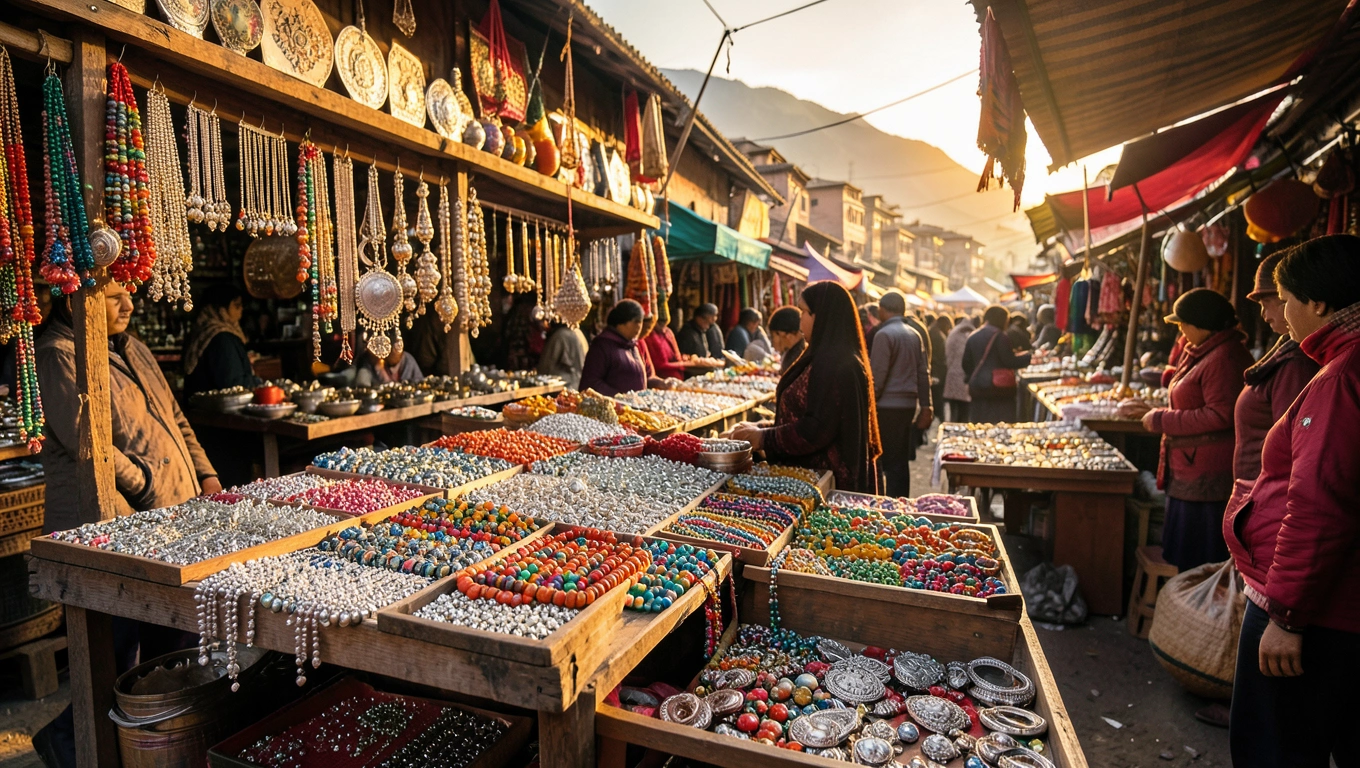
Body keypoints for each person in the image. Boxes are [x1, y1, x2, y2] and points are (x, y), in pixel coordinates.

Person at [33, 282, 220, 767]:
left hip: (169, 518)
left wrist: (206, 474)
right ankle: (70, 741)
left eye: (127, 294)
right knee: (113, 649)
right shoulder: (58, 354)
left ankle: (150, 739)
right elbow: (87, 441)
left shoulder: (132, 346)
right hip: (107, 522)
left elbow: (174, 418)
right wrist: (149, 485)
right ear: (75, 299)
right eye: (113, 296)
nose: (128, 305)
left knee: (172, 636)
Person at [1222, 235, 1360, 767]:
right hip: (1339, 608)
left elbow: (1320, 507)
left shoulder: (1340, 378)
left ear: (1319, 303)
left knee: (1274, 750)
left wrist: (1286, 616)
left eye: (1284, 296)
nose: (1281, 312)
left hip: (1322, 614)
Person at [1127, 288, 1251, 571]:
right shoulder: (1204, 349)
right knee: (1187, 557)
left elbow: (1221, 414)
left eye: (1183, 323)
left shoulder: (1224, 357)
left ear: (1201, 324)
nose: (1180, 330)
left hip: (1206, 475)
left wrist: (1161, 419)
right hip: (1189, 469)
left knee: (1200, 561)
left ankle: (1193, 611)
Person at [730, 281, 881, 492]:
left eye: (804, 312)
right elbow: (807, 415)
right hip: (812, 479)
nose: (799, 319)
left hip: (827, 484)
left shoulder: (835, 363)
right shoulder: (823, 355)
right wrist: (761, 429)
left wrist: (764, 437)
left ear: (823, 316)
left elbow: (816, 429)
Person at [869, 290, 932, 496]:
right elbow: (924, 373)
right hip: (907, 407)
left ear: (882, 310)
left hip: (887, 407)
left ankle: (887, 505)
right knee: (900, 460)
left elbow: (877, 376)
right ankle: (901, 502)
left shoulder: (884, 335)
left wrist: (869, 404)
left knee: (884, 461)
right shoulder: (914, 334)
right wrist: (926, 405)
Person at [181, 283, 258, 398]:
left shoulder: (204, 333)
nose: (241, 309)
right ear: (220, 310)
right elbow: (233, 384)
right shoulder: (221, 339)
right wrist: (258, 384)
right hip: (216, 410)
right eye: (237, 305)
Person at [580, 299, 670, 396]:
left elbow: (648, 376)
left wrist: (663, 384)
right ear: (621, 323)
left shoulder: (636, 346)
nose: (639, 326)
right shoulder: (602, 346)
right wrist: (619, 397)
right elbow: (590, 383)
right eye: (636, 321)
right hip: (613, 408)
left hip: (635, 407)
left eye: (640, 322)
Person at [961, 305, 1031, 423]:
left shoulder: (973, 336)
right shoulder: (1000, 336)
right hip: (999, 390)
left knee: (979, 423)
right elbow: (1009, 361)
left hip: (978, 388)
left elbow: (966, 363)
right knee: (999, 423)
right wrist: (1029, 357)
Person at [538, 321, 589, 388]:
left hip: (565, 386)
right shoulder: (579, 333)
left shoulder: (560, 335)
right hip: (579, 383)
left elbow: (546, 365)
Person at [943, 315, 975, 421]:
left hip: (952, 376)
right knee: (965, 412)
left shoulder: (953, 335)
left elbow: (948, 356)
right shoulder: (974, 334)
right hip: (967, 379)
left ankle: (953, 432)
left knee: (954, 412)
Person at [355, 344, 424, 387]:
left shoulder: (407, 359)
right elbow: (363, 388)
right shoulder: (371, 362)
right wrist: (380, 370)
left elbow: (420, 383)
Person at [768, 306, 805, 374]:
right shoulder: (797, 351)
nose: (772, 342)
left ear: (784, 334)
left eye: (773, 336)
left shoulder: (796, 358)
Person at [930, 315, 952, 422]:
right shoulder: (938, 336)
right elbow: (941, 356)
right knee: (938, 402)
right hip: (937, 374)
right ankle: (939, 421)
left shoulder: (933, 332)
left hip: (935, 373)